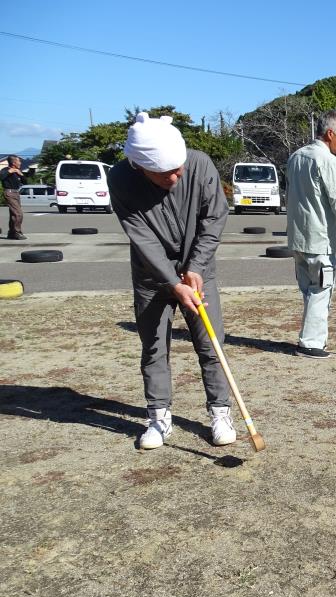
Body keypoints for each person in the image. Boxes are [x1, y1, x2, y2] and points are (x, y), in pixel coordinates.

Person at [108, 112, 236, 449]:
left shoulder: (199, 164)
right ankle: (158, 417)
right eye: (166, 173)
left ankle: (220, 412)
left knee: (210, 343)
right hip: (152, 276)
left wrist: (195, 266)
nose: (177, 175)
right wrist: (172, 281)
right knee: (153, 346)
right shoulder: (121, 178)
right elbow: (140, 235)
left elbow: (214, 218)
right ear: (140, 167)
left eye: (178, 167)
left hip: (198, 271)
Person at [285, 109, 336, 359]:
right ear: (330, 134)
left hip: (298, 239)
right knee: (320, 291)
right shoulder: (328, 162)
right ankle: (310, 343)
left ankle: (312, 340)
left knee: (310, 290)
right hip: (318, 241)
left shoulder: (295, 157)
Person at [2, 155, 30, 239]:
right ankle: (17, 232)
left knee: (13, 215)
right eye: (19, 161)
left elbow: (25, 182)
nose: (20, 163)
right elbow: (1, 177)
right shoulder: (5, 170)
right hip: (9, 192)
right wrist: (9, 171)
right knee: (18, 213)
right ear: (14, 163)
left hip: (16, 193)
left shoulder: (17, 171)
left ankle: (11, 233)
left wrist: (21, 174)